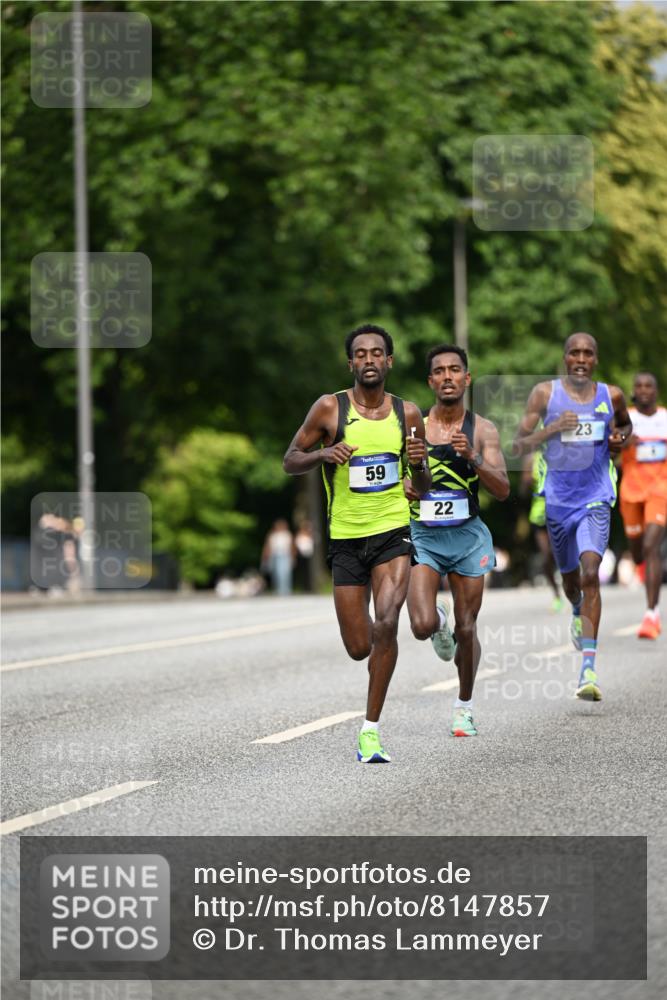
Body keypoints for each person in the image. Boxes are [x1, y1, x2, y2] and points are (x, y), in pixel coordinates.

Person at [283, 323, 430, 763]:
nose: (369, 360)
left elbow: (421, 487)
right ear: (351, 363)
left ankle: (370, 731)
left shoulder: (408, 414)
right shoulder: (330, 408)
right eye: (360, 354)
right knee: (359, 646)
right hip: (346, 537)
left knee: (387, 622)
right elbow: (290, 460)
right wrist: (323, 454)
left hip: (392, 531)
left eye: (376, 353)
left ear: (389, 361)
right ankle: (376, 675)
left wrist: (419, 471)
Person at [514, 332, 632, 701]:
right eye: (574, 352)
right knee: (571, 584)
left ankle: (588, 669)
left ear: (595, 359)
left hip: (595, 498)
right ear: (564, 358)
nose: (581, 358)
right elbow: (519, 443)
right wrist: (552, 428)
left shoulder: (610, 395)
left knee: (591, 572)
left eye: (588, 353)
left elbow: (626, 427)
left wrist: (619, 440)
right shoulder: (544, 395)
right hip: (558, 503)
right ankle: (577, 608)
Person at [405, 344, 509, 737]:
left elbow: (502, 489)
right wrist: (408, 486)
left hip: (467, 537)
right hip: (424, 536)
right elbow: (405, 477)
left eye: (455, 370)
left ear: (468, 378)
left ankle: (464, 706)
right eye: (439, 371)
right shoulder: (413, 425)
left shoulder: (482, 430)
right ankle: (439, 620)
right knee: (420, 624)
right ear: (430, 380)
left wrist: (474, 459)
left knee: (468, 629)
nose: (447, 376)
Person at [618, 372, 667, 639]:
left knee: (651, 546)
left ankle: (651, 614)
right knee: (637, 551)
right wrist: (623, 442)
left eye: (649, 385)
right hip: (631, 494)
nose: (644, 390)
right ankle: (641, 565)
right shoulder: (626, 420)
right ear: (634, 391)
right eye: (639, 386)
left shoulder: (665, 418)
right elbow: (609, 450)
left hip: (661, 491)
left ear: (656, 391)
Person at [521, 449, 563, 610]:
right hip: (539, 515)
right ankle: (557, 594)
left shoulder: (563, 454)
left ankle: (573, 587)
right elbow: (523, 491)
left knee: (561, 554)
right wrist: (527, 480)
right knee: (547, 555)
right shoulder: (532, 458)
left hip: (560, 513)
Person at [261, 519, 296, 596]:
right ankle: (278, 589)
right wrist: (265, 557)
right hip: (275, 555)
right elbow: (268, 547)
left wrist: (293, 557)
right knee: (277, 573)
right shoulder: (273, 535)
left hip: (285, 555)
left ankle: (286, 589)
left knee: (286, 573)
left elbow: (292, 547)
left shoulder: (287, 535)